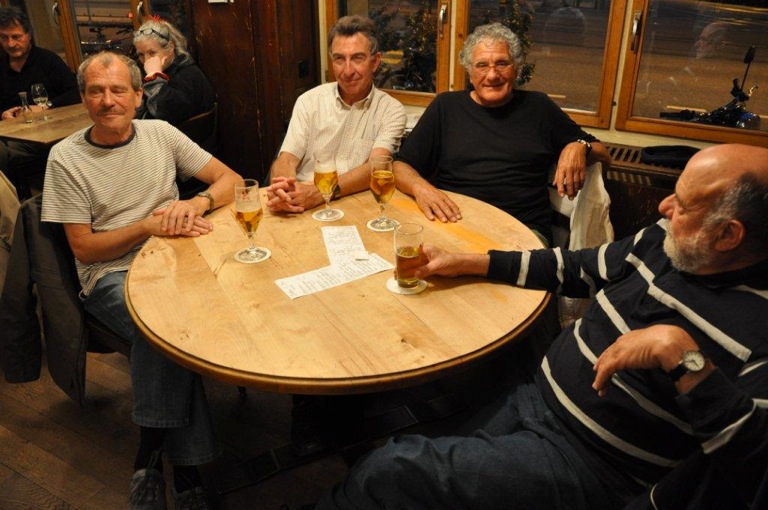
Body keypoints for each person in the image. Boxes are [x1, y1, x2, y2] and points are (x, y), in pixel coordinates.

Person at [314, 143, 768, 509]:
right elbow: (574, 266)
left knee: (391, 469)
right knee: (406, 455)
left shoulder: (759, 328)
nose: (664, 207)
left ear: (729, 235)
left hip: (589, 463)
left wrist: (682, 355)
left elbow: (754, 470)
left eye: (683, 205)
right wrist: (468, 261)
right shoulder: (663, 241)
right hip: (535, 398)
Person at [41, 51, 242, 509]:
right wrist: (145, 227)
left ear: (138, 95)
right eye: (96, 91)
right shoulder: (65, 158)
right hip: (110, 275)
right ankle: (187, 474)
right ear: (83, 98)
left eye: (118, 90)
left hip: (177, 259)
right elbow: (84, 250)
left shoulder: (160, 134)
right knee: (162, 329)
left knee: (219, 301)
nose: (107, 100)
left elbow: (229, 179)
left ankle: (149, 453)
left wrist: (197, 203)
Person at [394, 22, 611, 247]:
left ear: (516, 69)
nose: (492, 75)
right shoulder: (446, 107)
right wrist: (421, 189)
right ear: (470, 73)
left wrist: (580, 146)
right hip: (455, 224)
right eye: (481, 65)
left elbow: (603, 155)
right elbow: (400, 166)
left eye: (502, 63)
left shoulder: (539, 108)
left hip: (521, 232)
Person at [266, 14, 406, 214]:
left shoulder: (391, 111)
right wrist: (284, 188)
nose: (347, 71)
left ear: (375, 62)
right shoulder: (309, 101)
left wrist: (319, 194)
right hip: (301, 203)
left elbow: (376, 168)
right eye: (339, 59)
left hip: (353, 205)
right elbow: (287, 159)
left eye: (357, 58)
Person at [0, 6, 80, 194]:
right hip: (11, 134)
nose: (10, 43)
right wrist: (3, 113)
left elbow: (76, 91)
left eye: (16, 37)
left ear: (29, 35)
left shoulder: (48, 60)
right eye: (4, 37)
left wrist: (46, 106)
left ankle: (14, 204)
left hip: (48, 135)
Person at [133, 19, 215, 126]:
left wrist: (154, 76)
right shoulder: (161, 68)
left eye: (152, 53)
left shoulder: (188, 75)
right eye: (141, 55)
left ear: (171, 48)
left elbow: (165, 113)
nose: (146, 61)